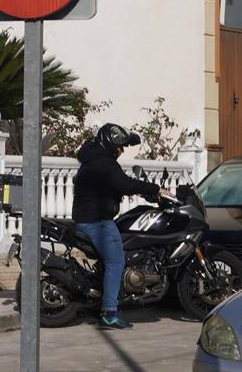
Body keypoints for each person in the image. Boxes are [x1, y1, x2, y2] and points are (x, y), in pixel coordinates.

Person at [72, 123, 171, 330]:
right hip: (97, 222)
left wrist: (142, 191)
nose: (122, 150)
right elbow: (124, 183)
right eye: (120, 146)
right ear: (111, 144)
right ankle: (109, 313)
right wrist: (156, 189)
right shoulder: (104, 163)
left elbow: (115, 186)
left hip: (87, 218)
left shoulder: (93, 159)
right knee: (116, 262)